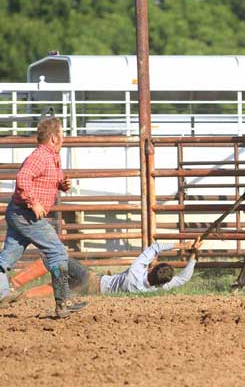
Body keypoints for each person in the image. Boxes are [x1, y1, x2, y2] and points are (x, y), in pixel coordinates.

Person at [0, 117, 88, 318]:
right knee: (57, 252)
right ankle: (63, 303)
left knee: (7, 257)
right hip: (27, 214)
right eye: (62, 134)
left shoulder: (51, 157)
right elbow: (23, 178)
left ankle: (1, 294)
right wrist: (34, 202)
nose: (64, 138)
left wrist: (62, 185)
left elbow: (42, 179)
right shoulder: (41, 156)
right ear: (54, 138)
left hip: (19, 212)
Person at [3, 242, 197, 300]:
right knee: (58, 287)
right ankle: (22, 296)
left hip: (94, 280)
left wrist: (184, 245)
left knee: (54, 258)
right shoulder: (153, 289)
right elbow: (183, 279)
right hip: (92, 290)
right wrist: (194, 256)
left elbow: (154, 247)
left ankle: (14, 283)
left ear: (152, 268)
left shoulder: (136, 271)